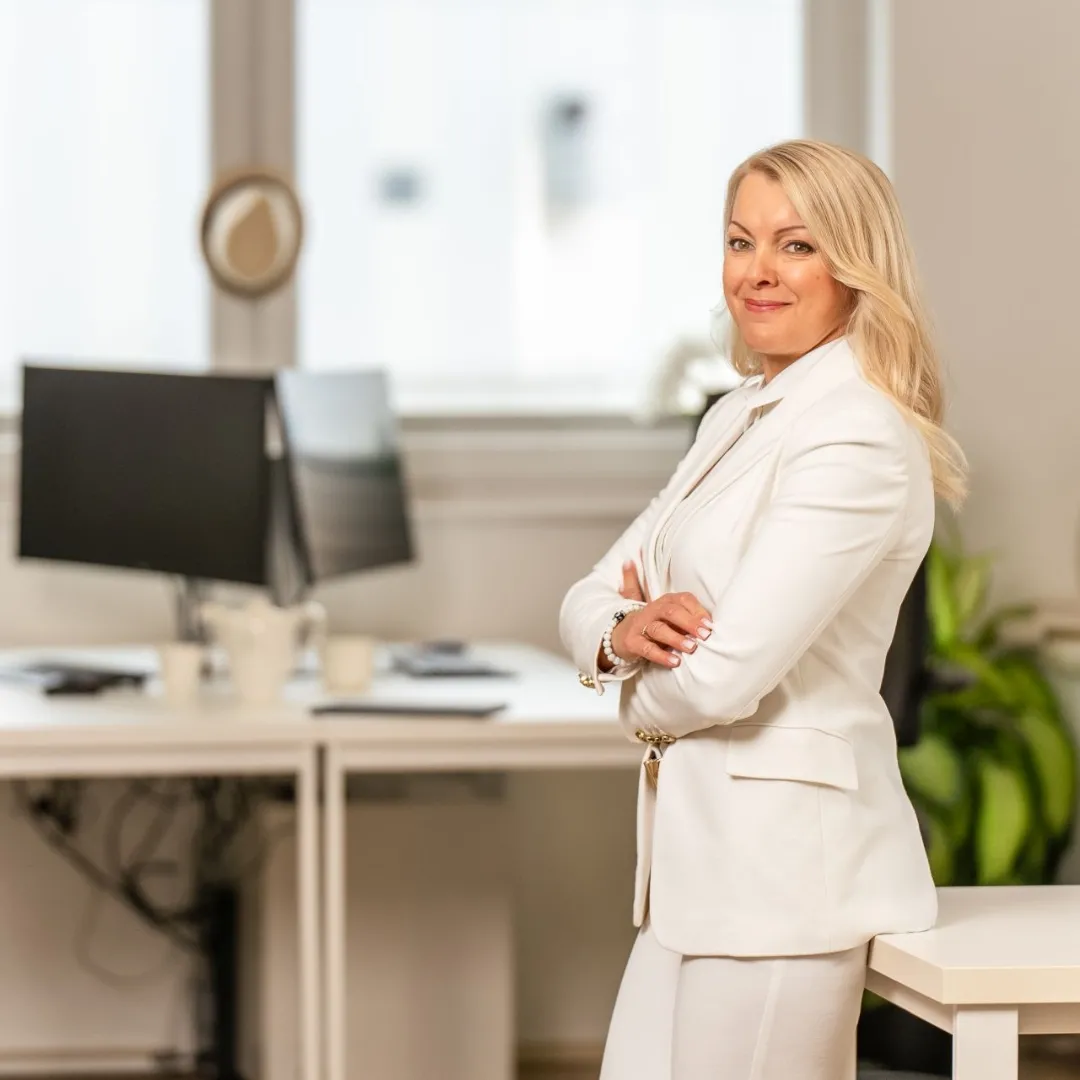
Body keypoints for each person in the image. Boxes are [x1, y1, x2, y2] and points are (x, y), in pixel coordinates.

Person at [559, 139, 967, 1080]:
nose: (758, 272)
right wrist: (617, 633)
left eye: (796, 245)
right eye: (741, 242)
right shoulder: (741, 412)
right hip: (700, 876)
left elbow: (724, 676)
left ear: (855, 266)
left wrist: (623, 688)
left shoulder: (857, 434)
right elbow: (592, 591)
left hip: (786, 885)